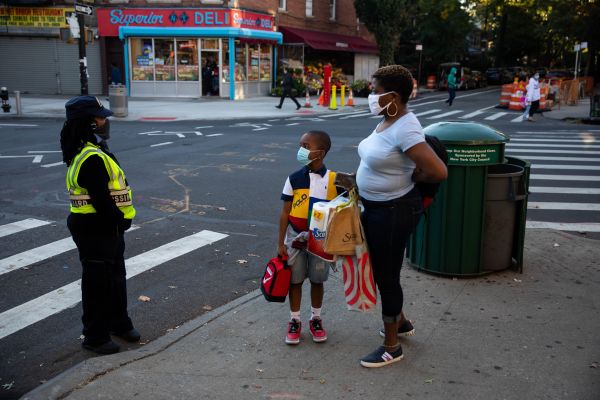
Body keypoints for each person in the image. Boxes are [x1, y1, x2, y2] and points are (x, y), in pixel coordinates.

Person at [357, 65, 447, 368]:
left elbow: (437, 170)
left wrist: (412, 178)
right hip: (378, 208)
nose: (371, 95)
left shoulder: (406, 127)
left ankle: (392, 346)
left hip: (393, 211)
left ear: (393, 95)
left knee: (387, 276)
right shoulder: (388, 119)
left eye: (374, 90)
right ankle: (402, 322)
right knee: (382, 269)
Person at [60, 96, 140, 355]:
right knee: (97, 283)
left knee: (116, 277)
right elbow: (101, 199)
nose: (105, 121)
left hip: (106, 226)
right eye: (100, 117)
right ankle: (94, 336)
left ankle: (119, 323)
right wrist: (120, 219)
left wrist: (120, 222)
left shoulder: (93, 149)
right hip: (96, 226)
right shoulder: (90, 157)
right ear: (89, 123)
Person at [278, 130, 339, 345]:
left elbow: (342, 210)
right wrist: (281, 243)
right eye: (300, 145)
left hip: (320, 238)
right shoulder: (294, 178)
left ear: (320, 153)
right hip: (294, 236)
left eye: (306, 146)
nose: (301, 150)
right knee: (295, 280)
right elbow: (285, 212)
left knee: (317, 279)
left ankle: (316, 318)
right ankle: (294, 320)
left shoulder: (333, 180)